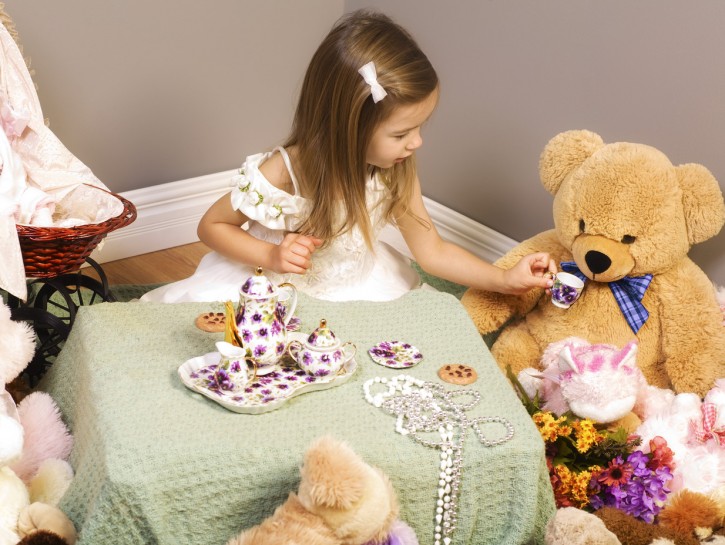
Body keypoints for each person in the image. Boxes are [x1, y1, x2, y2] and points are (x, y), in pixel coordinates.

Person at [140, 9, 555, 304]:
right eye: (401, 133)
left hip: (355, 285)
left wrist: (503, 279)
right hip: (275, 285)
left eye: (419, 129)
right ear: (347, 127)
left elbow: (432, 251)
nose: (416, 144)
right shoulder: (286, 170)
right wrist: (271, 255)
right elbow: (211, 226)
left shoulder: (396, 171)